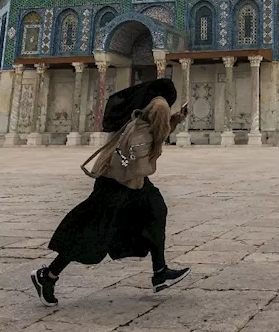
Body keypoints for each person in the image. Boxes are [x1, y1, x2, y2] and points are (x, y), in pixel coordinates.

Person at [31, 79, 190, 308]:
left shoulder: (145, 104)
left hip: (123, 176)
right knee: (93, 229)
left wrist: (177, 118)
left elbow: (155, 129)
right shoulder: (160, 107)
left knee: (155, 210)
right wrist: (170, 120)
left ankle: (160, 271)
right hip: (120, 180)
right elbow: (157, 134)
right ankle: (48, 275)